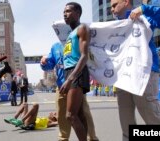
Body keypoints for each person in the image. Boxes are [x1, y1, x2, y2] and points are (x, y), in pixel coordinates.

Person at [110, 0, 160, 140]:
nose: (112, 10)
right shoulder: (113, 26)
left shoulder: (144, 17)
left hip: (144, 73)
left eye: (114, 5)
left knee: (150, 115)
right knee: (126, 120)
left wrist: (144, 9)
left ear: (126, 2)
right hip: (122, 76)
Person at [41, 42, 99, 141]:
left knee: (84, 113)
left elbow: (87, 58)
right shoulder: (55, 46)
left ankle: (92, 138)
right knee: (61, 115)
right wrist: (44, 62)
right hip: (61, 86)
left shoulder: (77, 41)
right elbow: (49, 65)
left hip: (76, 84)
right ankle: (63, 138)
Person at [59, 2, 91, 141]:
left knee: (70, 115)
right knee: (79, 114)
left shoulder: (82, 28)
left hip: (77, 72)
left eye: (68, 11)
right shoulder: (69, 34)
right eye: (64, 12)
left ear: (78, 13)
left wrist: (70, 78)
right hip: (69, 72)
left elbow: (84, 56)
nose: (65, 14)